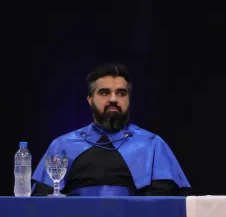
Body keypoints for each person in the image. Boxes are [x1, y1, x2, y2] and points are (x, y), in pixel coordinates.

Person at [32, 63, 190, 196]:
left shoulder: (152, 145)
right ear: (90, 100)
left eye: (121, 93)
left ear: (128, 99)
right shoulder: (62, 146)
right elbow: (40, 206)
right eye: (104, 92)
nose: (113, 99)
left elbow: (166, 207)